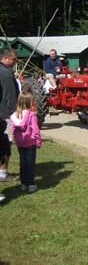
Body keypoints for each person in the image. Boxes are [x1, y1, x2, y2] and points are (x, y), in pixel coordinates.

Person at [11, 92, 42, 193]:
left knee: (23, 162)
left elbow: (13, 129)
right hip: (30, 142)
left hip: (20, 142)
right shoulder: (31, 115)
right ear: (30, 102)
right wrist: (38, 141)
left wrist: (15, 139)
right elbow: (35, 129)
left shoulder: (16, 115)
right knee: (30, 164)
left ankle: (23, 183)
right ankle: (31, 184)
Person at [0, 48, 19, 201]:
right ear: (6, 58)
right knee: (6, 144)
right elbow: (9, 95)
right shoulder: (6, 73)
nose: (15, 62)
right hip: (4, 115)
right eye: (14, 60)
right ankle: (2, 172)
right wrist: (14, 114)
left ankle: (3, 172)